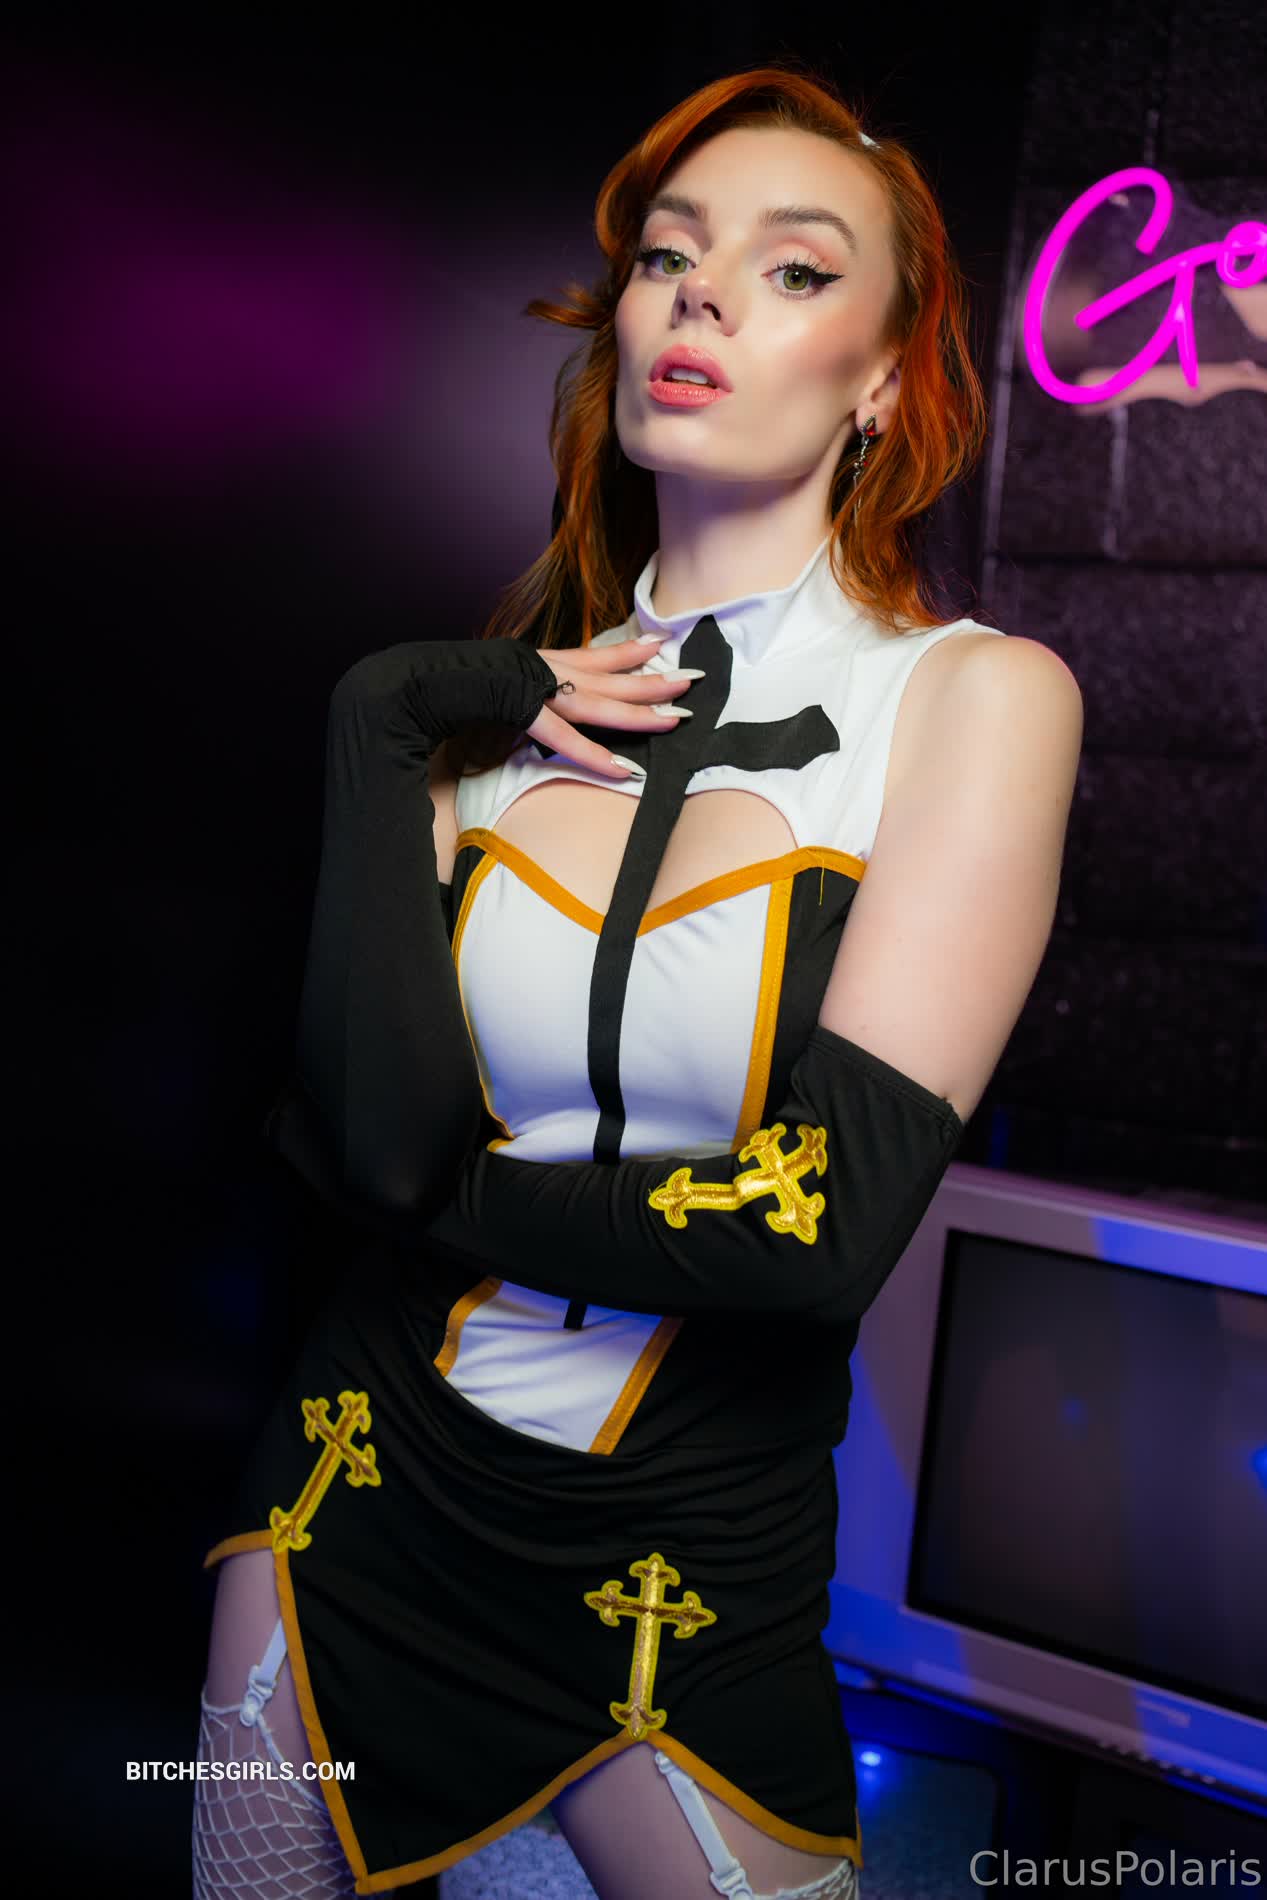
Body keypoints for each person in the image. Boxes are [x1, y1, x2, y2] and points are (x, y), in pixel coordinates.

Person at [192, 61, 1083, 1900]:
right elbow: (363, 1139)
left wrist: (419, 1203)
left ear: (887, 378)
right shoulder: (479, 707)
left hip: (690, 1575)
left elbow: (810, 1234)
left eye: (794, 269)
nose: (704, 297)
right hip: (350, 1512)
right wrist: (381, 715)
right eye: (674, 256)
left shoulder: (976, 702)